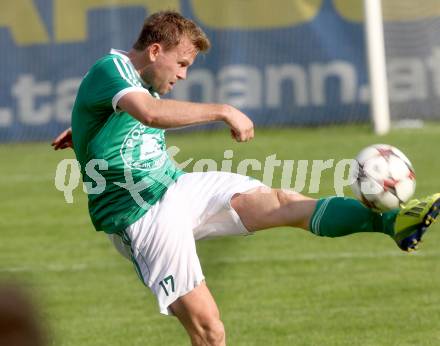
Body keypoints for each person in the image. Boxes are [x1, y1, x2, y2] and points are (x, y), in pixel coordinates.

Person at [52, 11, 440, 346]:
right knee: (210, 332)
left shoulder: (137, 81)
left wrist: (83, 131)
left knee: (284, 202)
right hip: (141, 214)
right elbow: (151, 113)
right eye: (182, 63)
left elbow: (122, 110)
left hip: (175, 187)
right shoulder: (114, 69)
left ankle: (393, 223)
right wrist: (223, 110)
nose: (184, 75)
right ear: (155, 51)